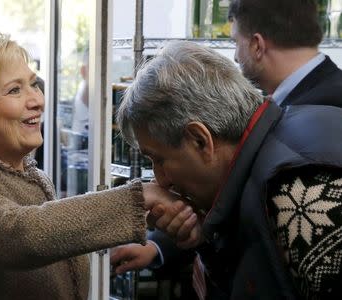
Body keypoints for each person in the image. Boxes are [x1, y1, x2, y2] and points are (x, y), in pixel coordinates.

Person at [0, 31, 196, 300]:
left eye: (33, 84)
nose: (37, 100)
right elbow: (23, 237)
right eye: (15, 90)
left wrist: (143, 214)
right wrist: (137, 200)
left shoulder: (33, 177)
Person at [111, 0, 342, 282]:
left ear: (200, 140)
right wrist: (205, 237)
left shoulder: (296, 193)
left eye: (158, 159)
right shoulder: (282, 150)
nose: (161, 180)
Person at [229, 0, 342, 108]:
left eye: (236, 42)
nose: (236, 58)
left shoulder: (317, 112)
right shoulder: (326, 95)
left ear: (257, 45)